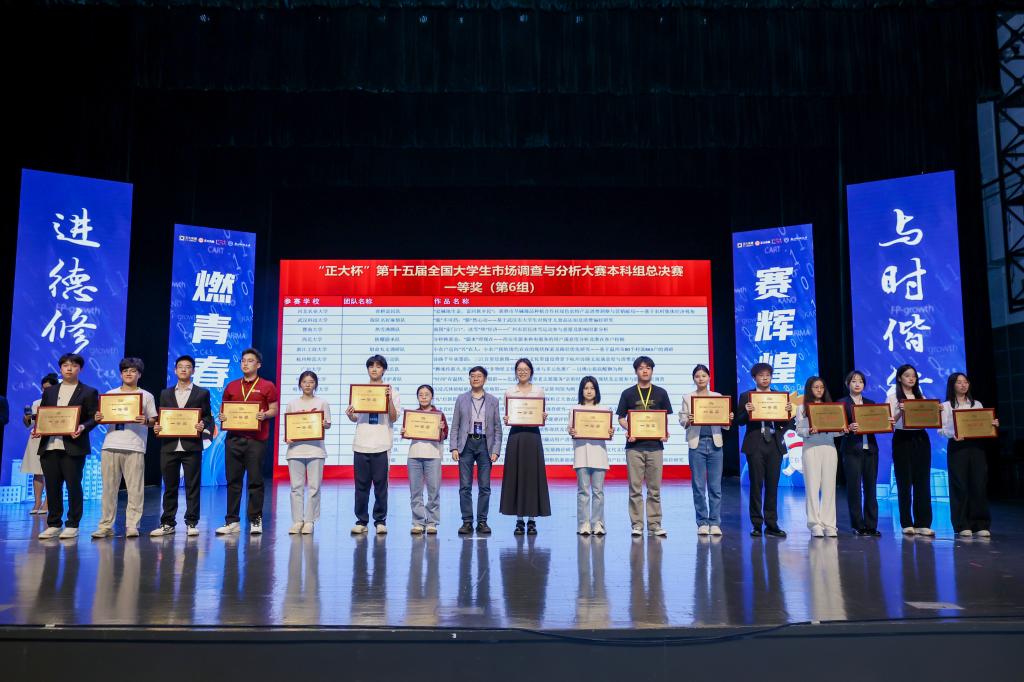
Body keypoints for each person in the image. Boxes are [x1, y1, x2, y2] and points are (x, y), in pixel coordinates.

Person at [91, 357, 158, 539]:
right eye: (125, 371)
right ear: (121, 374)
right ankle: (105, 526)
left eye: (133, 371)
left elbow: (154, 421)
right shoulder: (110, 394)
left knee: (135, 489)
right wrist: (99, 418)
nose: (129, 373)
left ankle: (132, 525)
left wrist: (146, 420)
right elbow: (103, 418)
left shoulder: (146, 396)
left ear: (139, 375)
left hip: (135, 446)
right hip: (110, 445)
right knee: (109, 489)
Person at [35, 352, 99, 540]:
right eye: (65, 365)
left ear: (80, 369)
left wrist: (82, 427)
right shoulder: (50, 391)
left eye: (74, 365)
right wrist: (38, 428)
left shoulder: (88, 391)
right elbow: (44, 415)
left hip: (73, 446)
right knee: (52, 486)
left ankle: (72, 524)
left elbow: (93, 418)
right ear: (60, 368)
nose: (69, 369)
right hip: (49, 445)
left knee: (73, 485)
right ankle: (54, 524)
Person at [216, 348, 279, 536]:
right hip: (233, 439)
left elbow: (274, 409)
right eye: (243, 360)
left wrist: (265, 414)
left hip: (256, 441)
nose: (245, 363)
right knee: (233, 481)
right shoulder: (232, 386)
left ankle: (255, 519)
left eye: (250, 361)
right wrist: (222, 416)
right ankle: (232, 521)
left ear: (258, 364)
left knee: (255, 481)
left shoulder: (267, 385)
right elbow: (224, 411)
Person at [150, 355, 213, 537]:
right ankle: (167, 523)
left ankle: (191, 522)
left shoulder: (202, 393)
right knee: (170, 486)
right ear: (175, 370)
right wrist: (157, 427)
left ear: (193, 370)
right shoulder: (165, 393)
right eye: (180, 366)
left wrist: (203, 425)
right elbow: (162, 417)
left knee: (192, 486)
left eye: (188, 367)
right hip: (169, 445)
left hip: (191, 445)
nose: (184, 369)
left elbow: (208, 417)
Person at [616, 355, 672, 537]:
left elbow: (664, 419)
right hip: (634, 447)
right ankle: (637, 525)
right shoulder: (628, 393)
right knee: (635, 489)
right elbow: (621, 418)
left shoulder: (661, 393)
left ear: (652, 370)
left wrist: (665, 433)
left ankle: (655, 525)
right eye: (641, 368)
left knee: (654, 490)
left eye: (648, 367)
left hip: (656, 447)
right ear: (636, 371)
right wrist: (630, 428)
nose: (645, 371)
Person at [736, 362, 792, 538]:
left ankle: (772, 524)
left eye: (768, 375)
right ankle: (756, 524)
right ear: (754, 378)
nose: (765, 378)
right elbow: (739, 421)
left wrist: (788, 413)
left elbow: (787, 423)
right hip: (756, 443)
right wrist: (746, 412)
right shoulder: (746, 396)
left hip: (774, 443)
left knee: (773, 485)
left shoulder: (779, 397)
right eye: (761, 375)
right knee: (756, 485)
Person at [346, 354, 399, 535]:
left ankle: (380, 521)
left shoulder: (392, 391)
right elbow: (355, 417)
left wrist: (388, 399)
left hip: (381, 445)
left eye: (378, 366)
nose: (374, 369)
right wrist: (350, 414)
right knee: (361, 486)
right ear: (368, 369)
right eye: (371, 366)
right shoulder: (360, 391)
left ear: (384, 370)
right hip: (361, 444)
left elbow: (393, 417)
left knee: (381, 486)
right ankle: (361, 521)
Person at [940, 372, 997, 538]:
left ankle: (980, 524)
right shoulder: (946, 406)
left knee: (978, 483)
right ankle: (962, 524)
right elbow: (941, 429)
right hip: (957, 446)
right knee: (960, 484)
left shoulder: (976, 404)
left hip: (976, 446)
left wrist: (991, 424)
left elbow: (982, 424)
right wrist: (953, 434)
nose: (963, 385)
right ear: (952, 385)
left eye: (966, 382)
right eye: (959, 382)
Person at [678, 364, 732, 537]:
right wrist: (689, 420)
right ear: (693, 379)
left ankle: (714, 522)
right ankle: (702, 522)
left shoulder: (718, 397)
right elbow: (682, 420)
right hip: (697, 444)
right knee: (699, 486)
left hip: (715, 444)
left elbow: (724, 424)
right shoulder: (688, 397)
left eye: (703, 375)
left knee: (715, 487)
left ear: (709, 378)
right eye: (697, 376)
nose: (700, 379)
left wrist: (728, 418)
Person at [500, 358, 552, 535]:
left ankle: (532, 520)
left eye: (526, 369)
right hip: (516, 436)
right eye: (519, 369)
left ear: (531, 372)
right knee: (516, 476)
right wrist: (507, 419)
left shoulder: (538, 391)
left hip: (532, 436)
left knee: (532, 476)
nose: (522, 372)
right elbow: (508, 414)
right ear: (516, 372)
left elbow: (540, 414)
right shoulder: (509, 391)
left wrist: (542, 417)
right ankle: (519, 520)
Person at [450, 366, 503, 535]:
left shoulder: (493, 400)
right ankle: (466, 522)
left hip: (485, 445)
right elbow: (455, 425)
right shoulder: (461, 399)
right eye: (472, 376)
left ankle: (482, 521)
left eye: (479, 376)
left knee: (485, 486)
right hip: (466, 444)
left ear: (485, 379)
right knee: (465, 486)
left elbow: (497, 428)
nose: (475, 378)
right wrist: (454, 447)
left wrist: (496, 450)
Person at [886, 364, 934, 536]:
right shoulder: (892, 397)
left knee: (922, 481)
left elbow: (929, 419)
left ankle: (923, 523)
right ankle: (906, 523)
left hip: (921, 438)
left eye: (913, 375)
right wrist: (900, 411)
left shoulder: (921, 397)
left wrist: (936, 412)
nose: (911, 378)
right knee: (904, 482)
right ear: (899, 378)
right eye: (907, 375)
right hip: (902, 439)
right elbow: (889, 422)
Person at [837, 370, 883, 537]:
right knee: (854, 488)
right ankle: (858, 525)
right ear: (847, 384)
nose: (857, 384)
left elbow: (877, 423)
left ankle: (871, 525)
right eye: (854, 381)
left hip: (870, 449)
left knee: (871, 488)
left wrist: (885, 422)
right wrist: (848, 428)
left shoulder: (871, 403)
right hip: (851, 449)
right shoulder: (841, 403)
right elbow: (838, 427)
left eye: (861, 381)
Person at [795, 376, 842, 538]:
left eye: (822, 387)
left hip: (829, 447)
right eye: (816, 387)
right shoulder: (801, 408)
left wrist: (842, 430)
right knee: (812, 487)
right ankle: (814, 524)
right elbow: (799, 431)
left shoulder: (832, 407)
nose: (819, 390)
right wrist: (809, 430)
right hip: (811, 448)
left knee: (829, 487)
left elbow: (836, 431)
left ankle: (829, 524)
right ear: (809, 389)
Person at [284, 370, 331, 535]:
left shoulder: (322, 403)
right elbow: (288, 427)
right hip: (295, 451)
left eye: (311, 382)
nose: (308, 385)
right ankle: (297, 521)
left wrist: (324, 424)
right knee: (296, 487)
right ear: (300, 384)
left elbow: (328, 424)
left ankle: (310, 521)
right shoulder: (292, 404)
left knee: (314, 487)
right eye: (304, 382)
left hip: (315, 450)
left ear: (315, 384)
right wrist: (287, 437)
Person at [570, 376, 612, 536]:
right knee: (583, 492)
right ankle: (584, 524)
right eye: (586, 388)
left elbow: (607, 433)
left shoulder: (604, 410)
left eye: (592, 388)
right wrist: (571, 431)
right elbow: (571, 430)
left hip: (599, 455)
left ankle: (598, 524)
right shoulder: (575, 410)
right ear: (581, 391)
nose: (589, 391)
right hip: (581, 454)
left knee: (598, 492)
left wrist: (609, 432)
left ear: (596, 391)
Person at [404, 384, 448, 535]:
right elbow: (407, 433)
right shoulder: (412, 415)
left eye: (426, 394)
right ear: (417, 397)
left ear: (432, 397)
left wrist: (441, 429)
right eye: (420, 395)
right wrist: (405, 431)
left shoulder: (438, 414)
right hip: (414, 456)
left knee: (433, 491)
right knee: (415, 491)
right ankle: (418, 522)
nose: (423, 397)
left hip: (433, 455)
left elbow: (444, 435)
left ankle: (432, 522)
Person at [21, 373, 59, 515]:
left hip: (52, 440)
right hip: (36, 439)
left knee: (50, 473)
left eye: (47, 388)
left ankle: (47, 503)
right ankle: (37, 502)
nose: (44, 391)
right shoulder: (36, 403)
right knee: (37, 472)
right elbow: (29, 425)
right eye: (43, 388)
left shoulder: (61, 403)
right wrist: (26, 418)